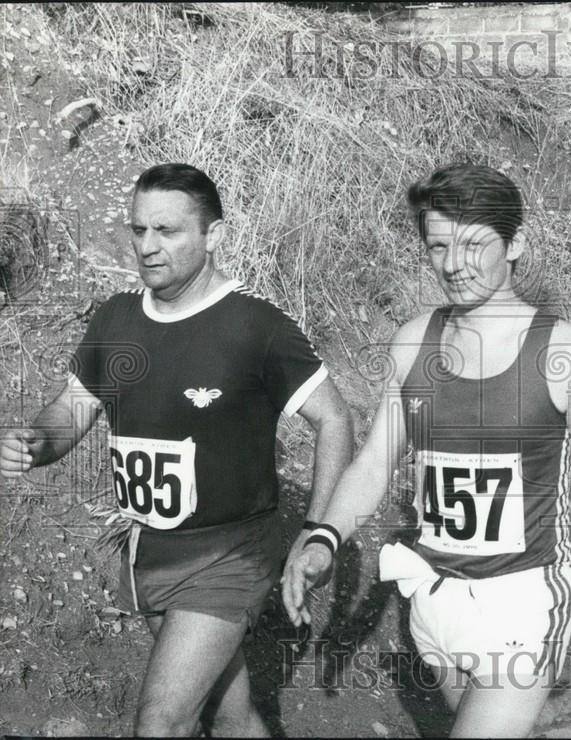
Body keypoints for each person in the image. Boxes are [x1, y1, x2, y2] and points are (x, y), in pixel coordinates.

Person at [282, 163, 571, 738]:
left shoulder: (568, 353)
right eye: (438, 246)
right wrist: (324, 541)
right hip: (434, 601)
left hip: (523, 603)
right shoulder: (413, 341)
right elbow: (375, 464)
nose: (454, 264)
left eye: (474, 244)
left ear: (515, 244)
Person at [0, 163, 354, 736]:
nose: (148, 246)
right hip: (146, 552)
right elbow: (74, 408)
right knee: (229, 717)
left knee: (161, 722)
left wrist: (319, 531)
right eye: (139, 230)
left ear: (213, 236)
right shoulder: (116, 317)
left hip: (230, 557)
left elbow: (335, 418)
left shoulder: (254, 325)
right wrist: (37, 442)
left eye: (168, 231)